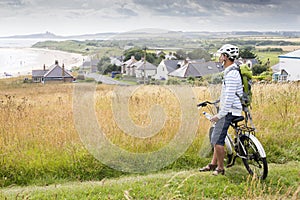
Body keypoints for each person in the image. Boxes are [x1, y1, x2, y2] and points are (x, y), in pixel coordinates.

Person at [199, 44, 243, 175]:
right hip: (231, 110)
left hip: (229, 112)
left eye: (221, 55)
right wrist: (217, 102)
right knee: (218, 136)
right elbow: (228, 94)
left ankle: (220, 168)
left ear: (225, 57)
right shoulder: (231, 71)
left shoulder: (232, 74)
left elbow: (229, 97)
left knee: (216, 140)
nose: (219, 57)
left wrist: (220, 115)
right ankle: (213, 164)